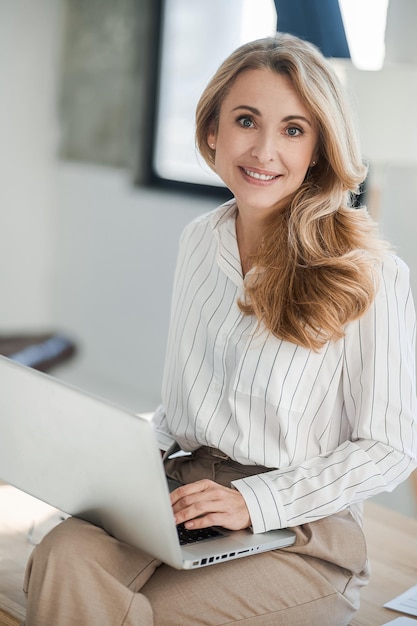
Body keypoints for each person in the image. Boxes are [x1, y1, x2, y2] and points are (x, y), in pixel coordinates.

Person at [22, 32, 417, 626]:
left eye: (292, 129)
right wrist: (114, 466)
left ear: (318, 148)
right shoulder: (200, 241)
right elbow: (186, 405)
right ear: (213, 132)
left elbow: (390, 448)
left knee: (145, 612)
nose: (263, 150)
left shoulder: (371, 273)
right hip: (185, 490)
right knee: (61, 556)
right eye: (245, 120)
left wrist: (251, 501)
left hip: (300, 524)